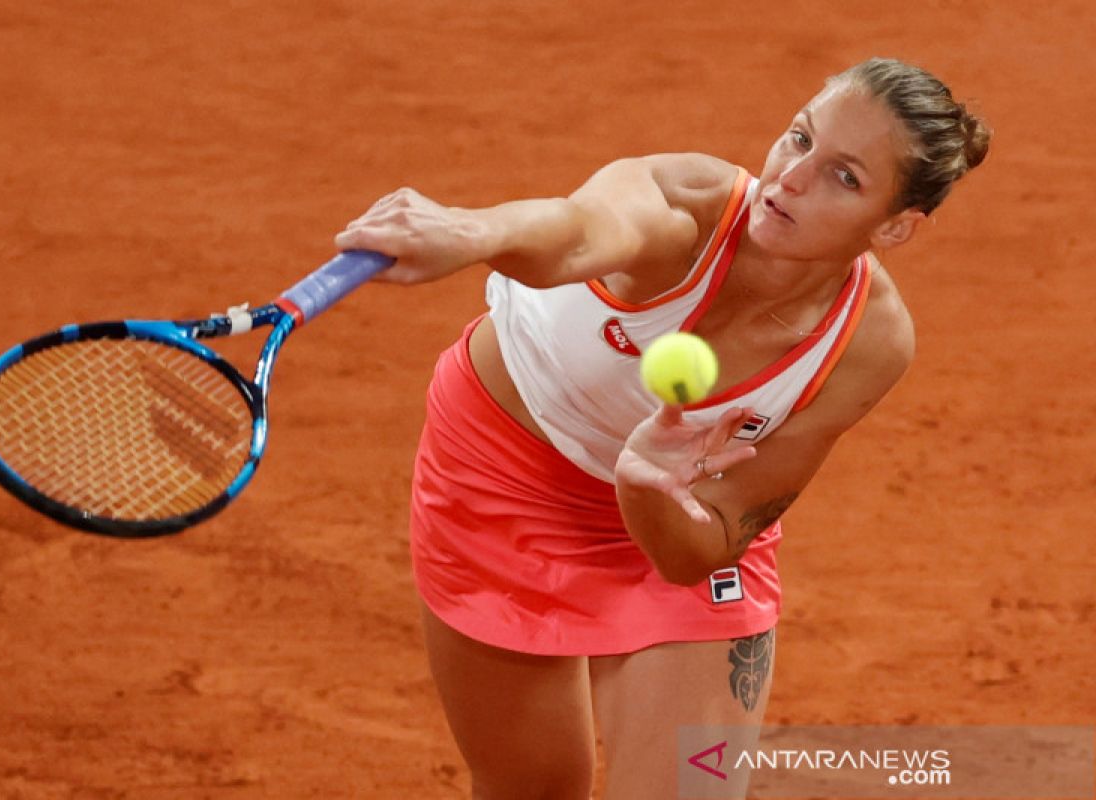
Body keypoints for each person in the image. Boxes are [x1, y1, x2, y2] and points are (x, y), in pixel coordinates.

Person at [335, 57, 989, 800]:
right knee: (534, 787)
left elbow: (701, 547)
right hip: (499, 477)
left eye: (845, 178)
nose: (791, 179)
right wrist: (470, 230)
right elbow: (574, 234)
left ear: (898, 226)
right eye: (800, 139)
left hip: (676, 512)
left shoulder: (869, 344)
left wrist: (645, 489)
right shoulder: (691, 204)